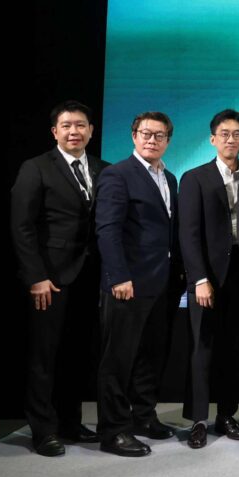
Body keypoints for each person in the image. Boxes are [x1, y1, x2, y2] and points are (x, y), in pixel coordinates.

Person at [10, 100, 107, 456]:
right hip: (49, 278)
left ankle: (70, 422)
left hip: (91, 277)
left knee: (78, 354)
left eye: (80, 125)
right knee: (44, 356)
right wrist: (35, 276)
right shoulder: (35, 168)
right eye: (66, 126)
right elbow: (22, 227)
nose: (74, 131)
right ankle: (43, 430)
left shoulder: (104, 169)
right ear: (55, 132)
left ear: (91, 131)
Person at [96, 112, 183, 457]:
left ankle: (143, 417)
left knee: (150, 356)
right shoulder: (117, 174)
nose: (152, 140)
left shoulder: (169, 178)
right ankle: (113, 430)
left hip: (162, 285)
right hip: (127, 284)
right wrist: (118, 276)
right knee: (118, 360)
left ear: (168, 141)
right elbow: (107, 230)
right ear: (134, 136)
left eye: (159, 135)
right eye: (145, 133)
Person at [177, 109, 239, 449]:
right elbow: (188, 233)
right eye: (224, 134)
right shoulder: (195, 178)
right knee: (202, 346)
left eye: (236, 134)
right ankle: (198, 420)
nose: (230, 139)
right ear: (212, 139)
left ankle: (226, 415)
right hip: (207, 275)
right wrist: (198, 279)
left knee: (234, 347)